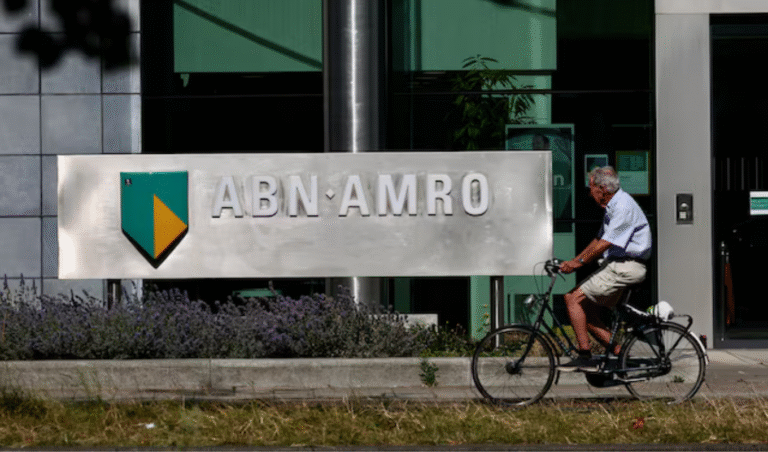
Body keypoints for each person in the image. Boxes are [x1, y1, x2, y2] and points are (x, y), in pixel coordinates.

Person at [558, 166, 651, 371]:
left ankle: (585, 356)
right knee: (586, 312)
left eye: (590, 187)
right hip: (619, 265)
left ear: (602, 189)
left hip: (625, 266)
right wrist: (575, 260)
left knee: (572, 299)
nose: (589, 192)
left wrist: (578, 263)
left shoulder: (623, 207)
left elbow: (604, 244)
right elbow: (598, 239)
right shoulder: (614, 206)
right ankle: (621, 354)